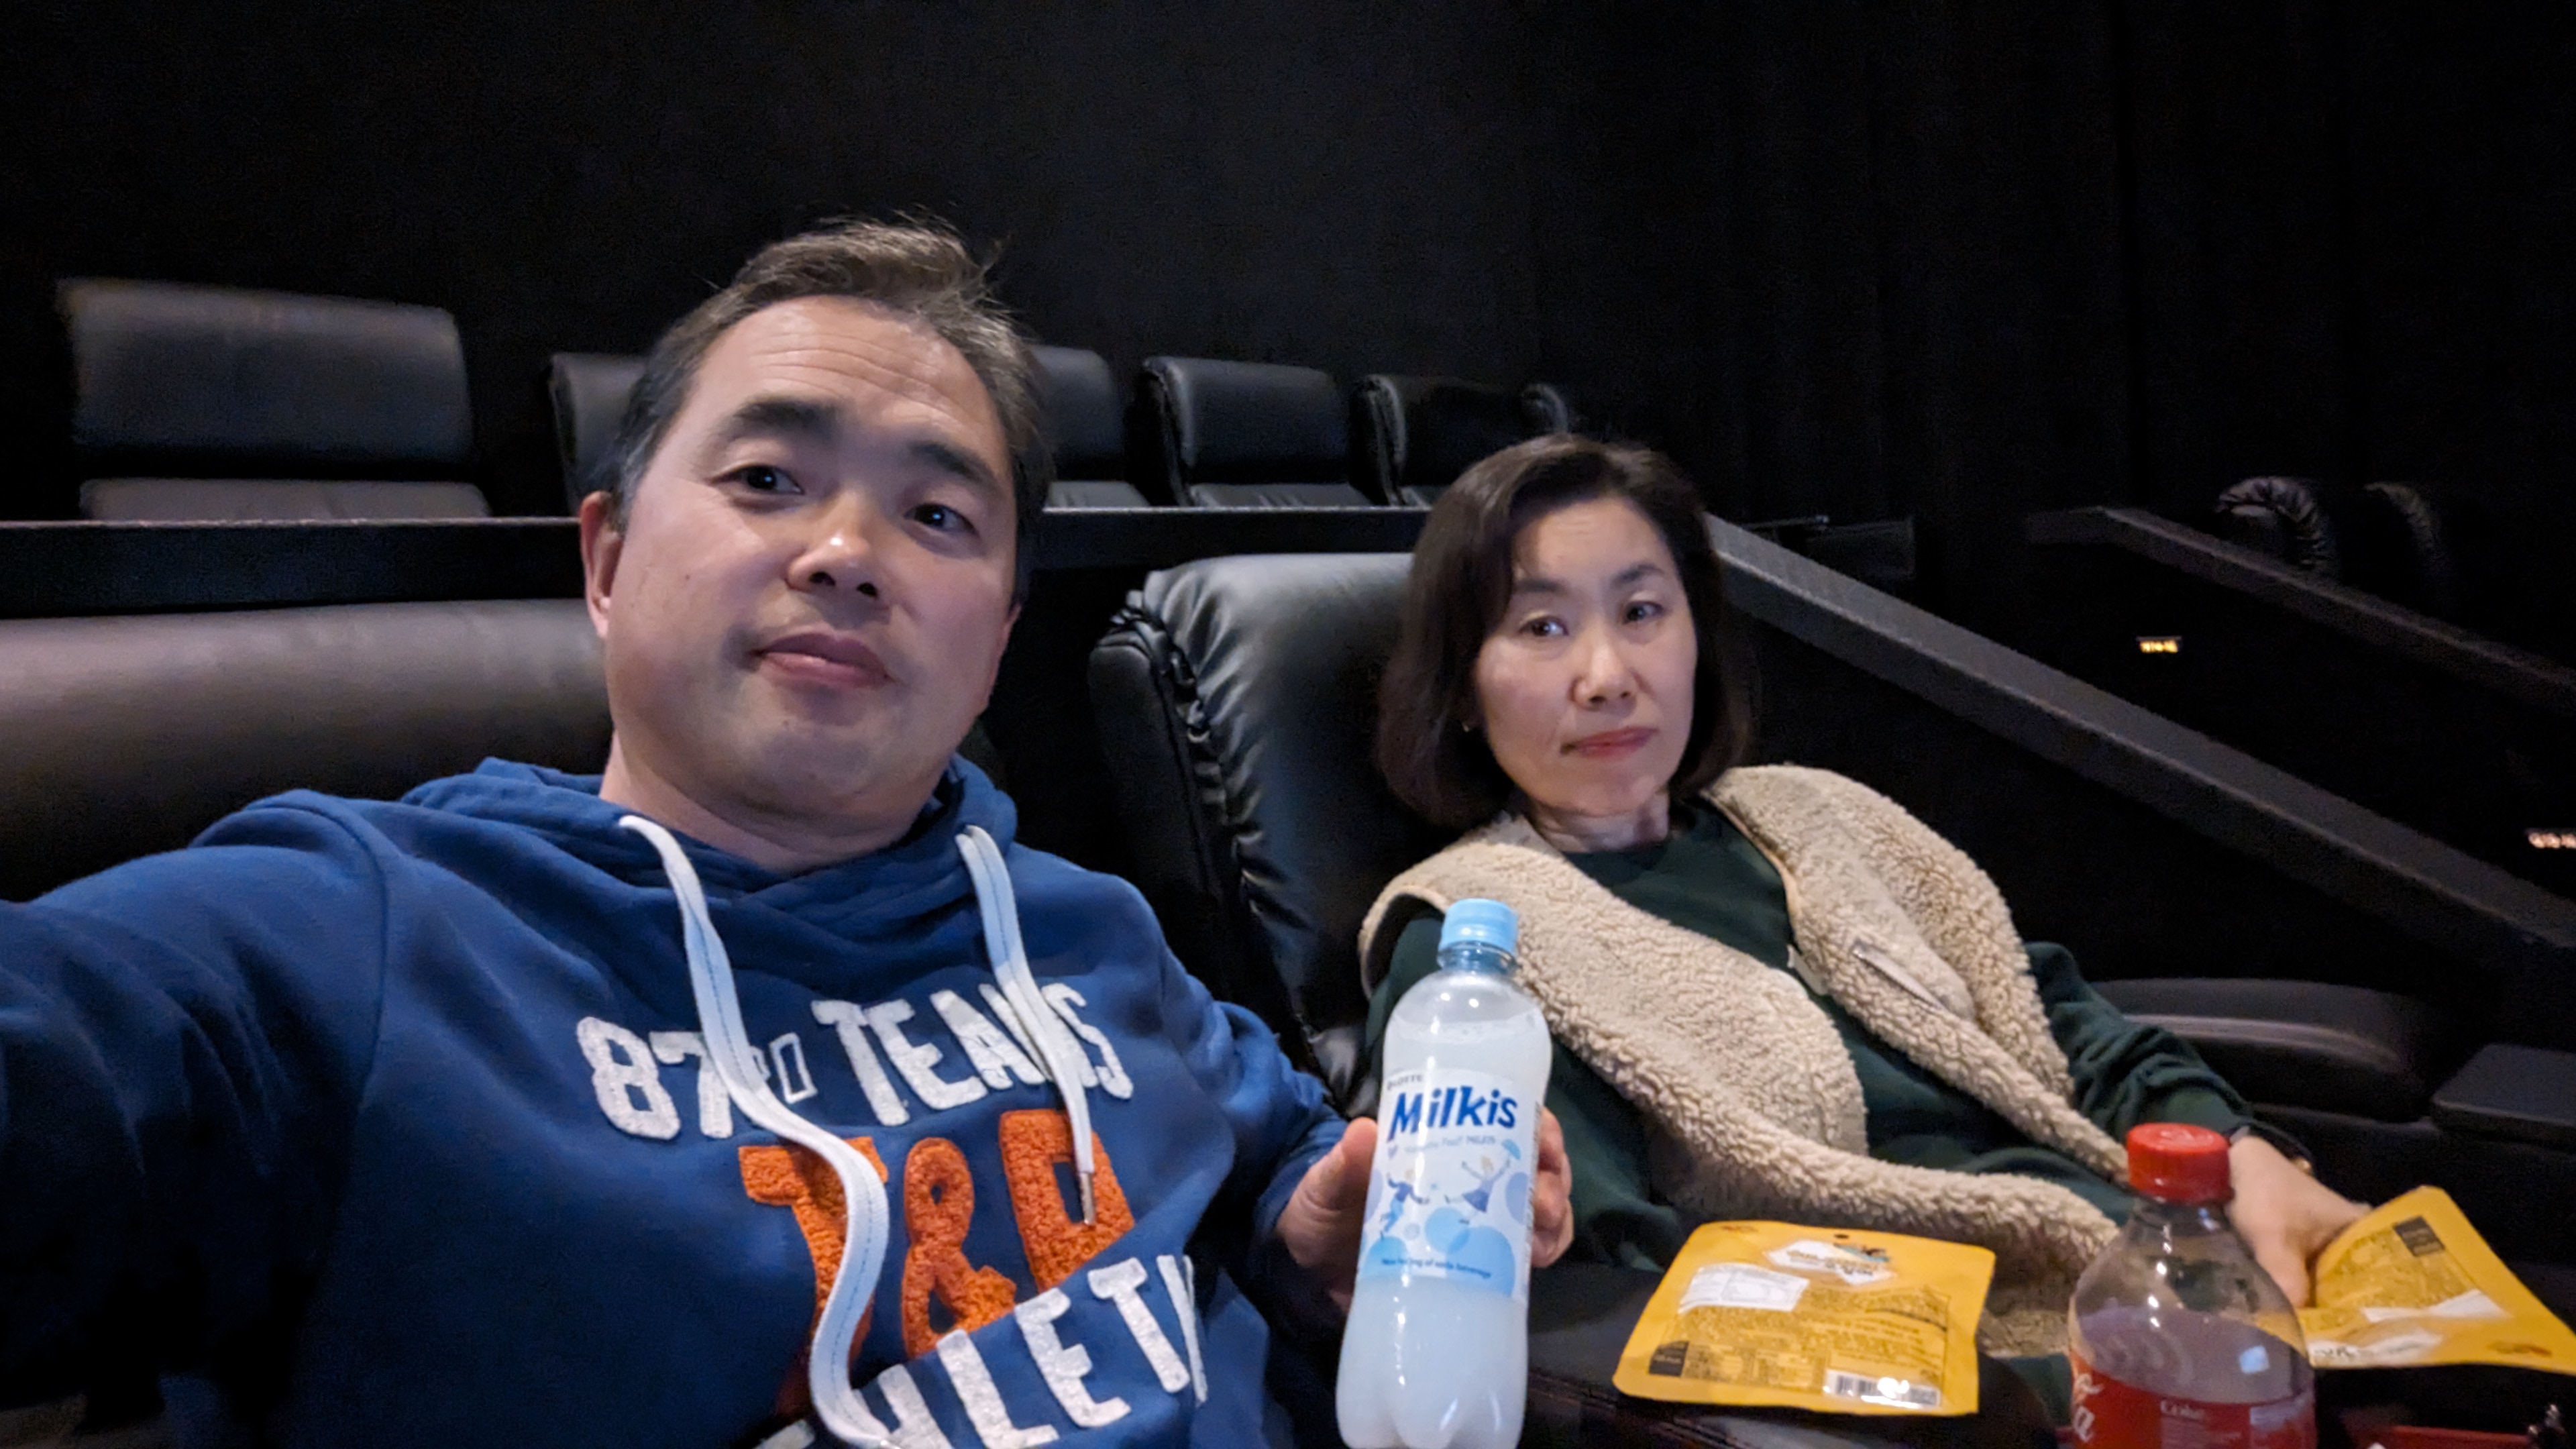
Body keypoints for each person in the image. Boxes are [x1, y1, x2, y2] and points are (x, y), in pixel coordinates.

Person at [0, 219, 1570, 1448]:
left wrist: (1318, 1232)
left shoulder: (1089, 927)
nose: (845, 552)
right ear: (606, 560)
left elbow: (1278, 1168)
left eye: (937, 516)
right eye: (767, 477)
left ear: (999, 634)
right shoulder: (351, 943)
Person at [1358, 434, 2363, 1367]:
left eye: (1642, 612)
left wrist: (2243, 1160)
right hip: (1973, 1374)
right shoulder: (1472, 950)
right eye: (1542, 627)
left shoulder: (1815, 813)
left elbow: (2064, 1027)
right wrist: (2069, 1383)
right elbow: (1633, 1294)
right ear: (1461, 686)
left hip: (2176, 1269)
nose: (1607, 675)